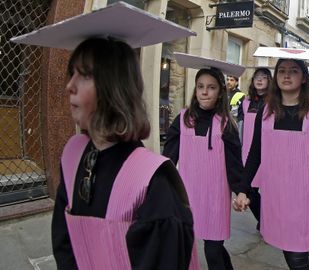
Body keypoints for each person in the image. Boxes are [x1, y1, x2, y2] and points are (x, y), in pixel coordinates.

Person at [10, 4, 198, 269]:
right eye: (70, 73)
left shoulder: (153, 185)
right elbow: (65, 244)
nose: (69, 85)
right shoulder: (73, 155)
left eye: (84, 75)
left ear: (114, 88)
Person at [240, 58, 309, 269]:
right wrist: (243, 189)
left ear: (304, 77)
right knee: (289, 253)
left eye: (293, 71)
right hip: (276, 196)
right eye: (282, 71)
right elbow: (255, 154)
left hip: (305, 199)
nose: (286, 76)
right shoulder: (266, 113)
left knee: (297, 257)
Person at [163, 53, 248, 270]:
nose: (204, 91)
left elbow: (234, 163)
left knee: (213, 249)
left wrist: (240, 191)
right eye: (200, 86)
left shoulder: (226, 124)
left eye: (211, 87)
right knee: (187, 245)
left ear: (220, 93)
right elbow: (169, 158)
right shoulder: (183, 119)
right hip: (188, 194)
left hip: (216, 197)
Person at [238, 67, 273, 230]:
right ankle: (263, 219)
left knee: (269, 191)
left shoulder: (274, 103)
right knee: (249, 188)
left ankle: (270, 222)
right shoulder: (245, 103)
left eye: (264, 77)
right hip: (248, 153)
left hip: (267, 153)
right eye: (256, 77)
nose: (259, 80)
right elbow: (239, 126)